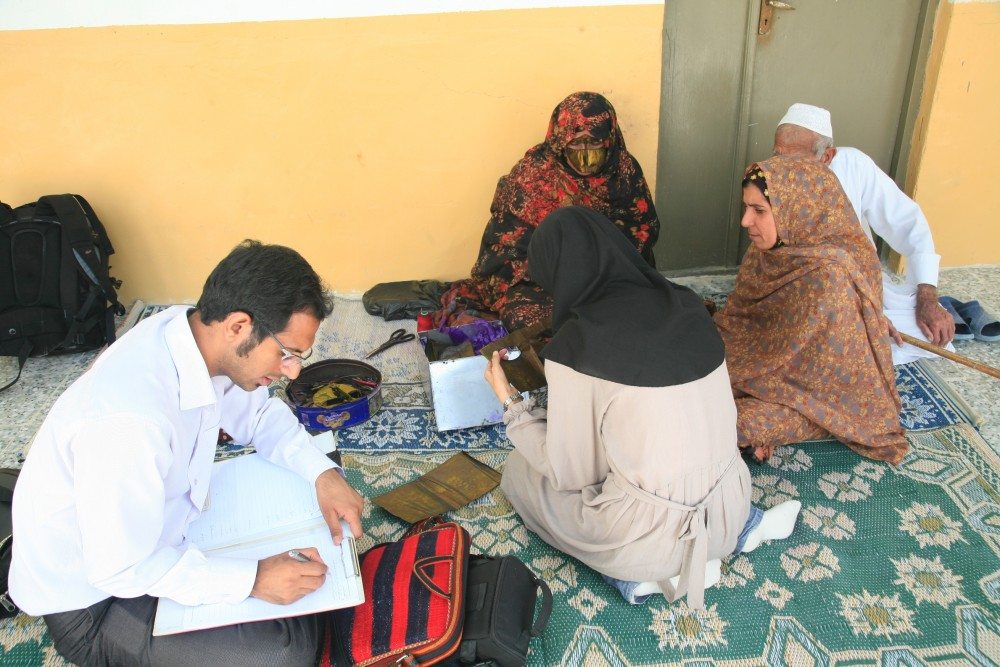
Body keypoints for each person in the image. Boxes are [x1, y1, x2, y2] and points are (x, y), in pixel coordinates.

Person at [10, 241, 365, 666]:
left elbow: (259, 416)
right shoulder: (130, 420)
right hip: (96, 603)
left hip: (168, 530)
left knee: (314, 534)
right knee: (282, 653)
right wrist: (253, 579)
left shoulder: (191, 336)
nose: (293, 371)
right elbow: (121, 568)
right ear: (238, 326)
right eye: (287, 353)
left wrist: (322, 474)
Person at [484, 206, 800, 609]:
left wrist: (511, 404)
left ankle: (638, 578)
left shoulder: (578, 346)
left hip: (645, 538)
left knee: (521, 473)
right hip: (729, 508)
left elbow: (573, 472)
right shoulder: (687, 305)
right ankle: (747, 528)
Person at [714, 156, 909, 465]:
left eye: (759, 211)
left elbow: (821, 379)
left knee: (726, 420)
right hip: (767, 363)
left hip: (816, 394)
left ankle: (754, 431)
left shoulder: (829, 280)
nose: (745, 221)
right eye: (747, 208)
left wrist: (747, 377)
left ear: (796, 211)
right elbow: (742, 318)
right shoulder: (773, 249)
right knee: (687, 367)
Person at [440, 91, 659, 332]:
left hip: (609, 276)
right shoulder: (534, 174)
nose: (585, 153)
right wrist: (559, 268)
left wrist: (599, 264)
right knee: (530, 318)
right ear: (559, 141)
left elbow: (643, 230)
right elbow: (506, 248)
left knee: (646, 308)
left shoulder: (624, 171)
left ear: (609, 139)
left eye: (595, 142)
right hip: (543, 281)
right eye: (575, 142)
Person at [772, 102, 955, 364]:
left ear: (827, 156)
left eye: (797, 159)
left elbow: (907, 222)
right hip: (805, 296)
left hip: (865, 285)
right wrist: (857, 314)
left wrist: (927, 297)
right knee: (819, 344)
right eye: (778, 155)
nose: (785, 167)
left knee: (932, 335)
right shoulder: (768, 180)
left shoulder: (853, 165)